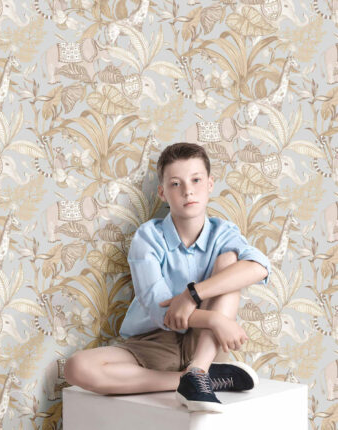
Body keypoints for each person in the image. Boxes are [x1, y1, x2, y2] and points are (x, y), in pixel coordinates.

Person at [64, 142, 271, 413]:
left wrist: (192, 294)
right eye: (176, 184)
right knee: (76, 367)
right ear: (162, 192)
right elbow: (160, 308)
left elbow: (260, 266)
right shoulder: (148, 237)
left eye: (196, 180)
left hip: (205, 343)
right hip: (155, 342)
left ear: (210, 184)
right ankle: (194, 379)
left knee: (231, 262)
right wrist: (216, 320)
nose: (188, 191)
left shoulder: (223, 232)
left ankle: (198, 369)